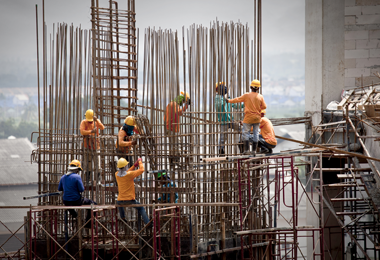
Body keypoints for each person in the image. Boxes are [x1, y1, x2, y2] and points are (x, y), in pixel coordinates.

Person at [226, 80, 267, 155]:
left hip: (248, 118)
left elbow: (237, 99)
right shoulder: (260, 96)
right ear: (258, 88)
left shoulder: (246, 95)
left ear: (251, 87)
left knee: (245, 133)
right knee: (256, 133)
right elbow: (264, 106)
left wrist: (229, 101)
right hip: (257, 118)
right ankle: (254, 150)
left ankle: (246, 150)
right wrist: (258, 108)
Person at [58, 160, 97, 227]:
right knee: (93, 204)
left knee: (69, 203)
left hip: (66, 201)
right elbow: (81, 189)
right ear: (76, 169)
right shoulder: (77, 177)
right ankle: (88, 223)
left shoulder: (63, 177)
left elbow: (59, 189)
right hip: (76, 200)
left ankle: (74, 213)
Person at [115, 157, 150, 225]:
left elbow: (126, 172)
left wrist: (134, 166)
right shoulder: (129, 175)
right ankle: (148, 223)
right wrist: (139, 162)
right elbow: (142, 170)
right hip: (129, 200)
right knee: (141, 208)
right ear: (125, 166)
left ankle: (123, 218)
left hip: (120, 200)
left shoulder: (116, 174)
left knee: (119, 203)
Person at [215, 82, 244, 155]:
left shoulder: (227, 97)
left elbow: (235, 106)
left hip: (231, 120)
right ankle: (221, 151)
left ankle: (241, 143)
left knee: (242, 129)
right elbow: (219, 106)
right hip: (223, 121)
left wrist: (244, 104)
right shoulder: (217, 98)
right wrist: (225, 100)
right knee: (222, 138)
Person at [164, 91, 190, 164]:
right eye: (184, 101)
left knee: (172, 144)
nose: (183, 103)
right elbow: (179, 112)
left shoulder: (171, 104)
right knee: (175, 143)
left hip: (169, 127)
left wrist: (185, 106)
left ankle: (173, 159)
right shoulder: (174, 104)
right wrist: (186, 106)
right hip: (172, 127)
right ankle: (175, 159)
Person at [80, 109, 105, 185]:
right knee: (88, 164)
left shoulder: (96, 121)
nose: (90, 122)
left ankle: (98, 181)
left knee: (97, 164)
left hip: (96, 146)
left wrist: (97, 120)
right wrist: (91, 131)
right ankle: (88, 181)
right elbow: (82, 131)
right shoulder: (84, 122)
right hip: (87, 146)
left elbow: (102, 127)